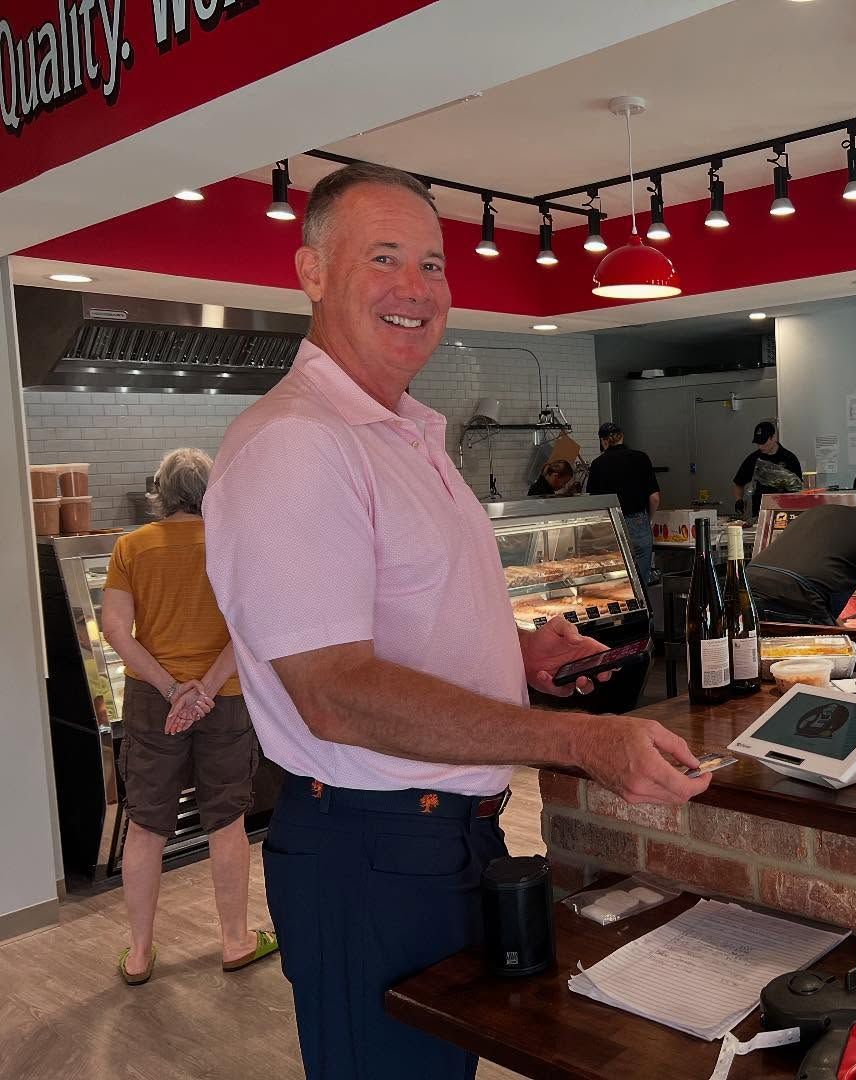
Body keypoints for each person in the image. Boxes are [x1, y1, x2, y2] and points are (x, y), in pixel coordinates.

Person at [203, 163, 709, 1080]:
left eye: (432, 264)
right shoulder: (298, 444)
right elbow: (336, 698)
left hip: (443, 836)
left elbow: (401, 622)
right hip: (370, 846)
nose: (416, 289)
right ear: (311, 272)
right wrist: (576, 743)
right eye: (384, 258)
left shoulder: (399, 434)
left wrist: (515, 656)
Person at [100, 448, 275, 986]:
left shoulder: (131, 547)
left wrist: (174, 688)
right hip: (224, 697)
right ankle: (235, 941)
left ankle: (139, 954)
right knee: (225, 820)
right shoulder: (233, 544)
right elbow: (247, 629)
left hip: (154, 702)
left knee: (148, 824)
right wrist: (202, 689)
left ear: (162, 493)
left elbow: (115, 631)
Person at [747, 500, 856, 628]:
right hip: (799, 598)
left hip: (747, 585)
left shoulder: (818, 512)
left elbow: (814, 580)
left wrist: (845, 633)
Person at [586, 421, 661, 585]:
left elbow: (593, 502)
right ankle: (642, 608)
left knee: (616, 578)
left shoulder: (597, 465)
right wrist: (647, 519)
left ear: (603, 441)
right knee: (640, 581)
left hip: (609, 526)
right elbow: (654, 498)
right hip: (638, 520)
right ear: (622, 437)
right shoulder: (641, 458)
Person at [733, 420, 803, 517]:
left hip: (785, 512)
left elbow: (799, 489)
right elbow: (738, 482)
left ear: (773, 437)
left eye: (763, 442)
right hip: (760, 513)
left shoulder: (789, 459)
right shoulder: (753, 459)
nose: (760, 446)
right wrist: (738, 500)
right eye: (758, 443)